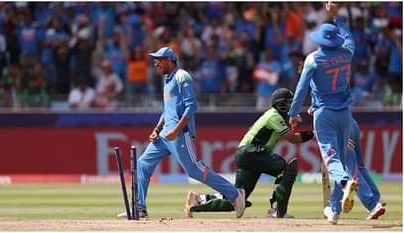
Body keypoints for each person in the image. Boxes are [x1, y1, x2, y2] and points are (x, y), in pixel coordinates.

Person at [117, 47, 245, 220]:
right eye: (155, 60)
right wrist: (157, 129)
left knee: (195, 171)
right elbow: (167, 110)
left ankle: (235, 194)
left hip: (179, 134)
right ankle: (139, 208)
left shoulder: (181, 76)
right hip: (165, 135)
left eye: (159, 60)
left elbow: (191, 107)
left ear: (170, 59)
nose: (156, 64)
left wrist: (175, 130)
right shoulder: (168, 80)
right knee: (143, 163)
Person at [183, 88, 315, 219]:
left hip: (247, 154)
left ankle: (197, 199)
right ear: (280, 104)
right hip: (252, 152)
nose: (291, 105)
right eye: (289, 103)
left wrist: (293, 118)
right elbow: (293, 139)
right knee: (286, 169)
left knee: (236, 199)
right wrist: (313, 134)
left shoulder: (276, 116)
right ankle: (276, 210)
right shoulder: (274, 116)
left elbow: (290, 132)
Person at [287, 3, 357, 225]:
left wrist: (294, 112)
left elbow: (301, 89)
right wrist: (336, 16)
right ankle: (334, 210)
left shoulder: (313, 59)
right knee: (341, 161)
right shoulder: (347, 52)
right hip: (345, 114)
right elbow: (350, 37)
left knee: (331, 160)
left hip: (324, 114)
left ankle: (346, 183)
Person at [345, 118, 387, 220]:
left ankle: (372, 205)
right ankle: (376, 200)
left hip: (340, 127)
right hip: (352, 123)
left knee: (351, 170)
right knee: (359, 167)